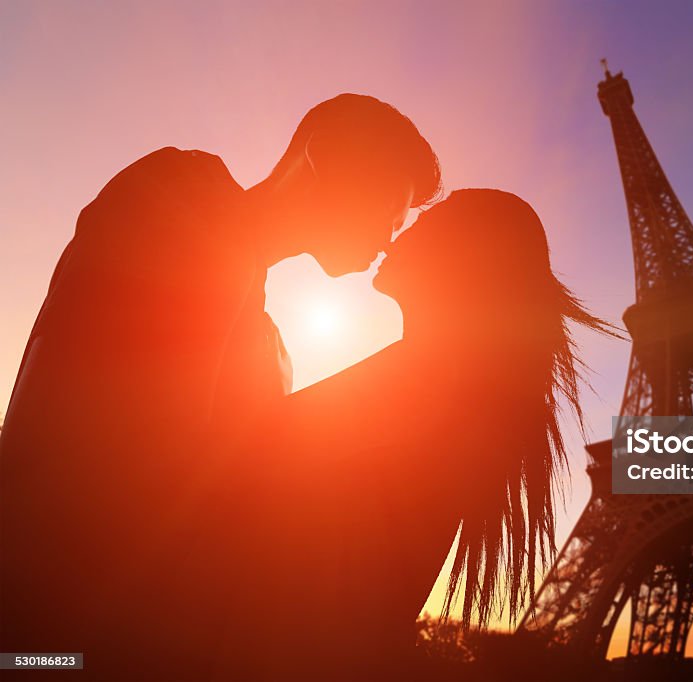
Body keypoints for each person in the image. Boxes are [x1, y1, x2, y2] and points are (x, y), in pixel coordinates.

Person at [0, 94, 440, 680]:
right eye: (393, 209)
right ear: (328, 155)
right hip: (48, 633)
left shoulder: (269, 344)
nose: (390, 238)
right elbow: (165, 467)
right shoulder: (180, 193)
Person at [206, 189, 616, 680]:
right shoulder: (449, 387)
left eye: (423, 225)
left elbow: (243, 473)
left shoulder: (427, 386)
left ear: (461, 256)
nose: (397, 236)